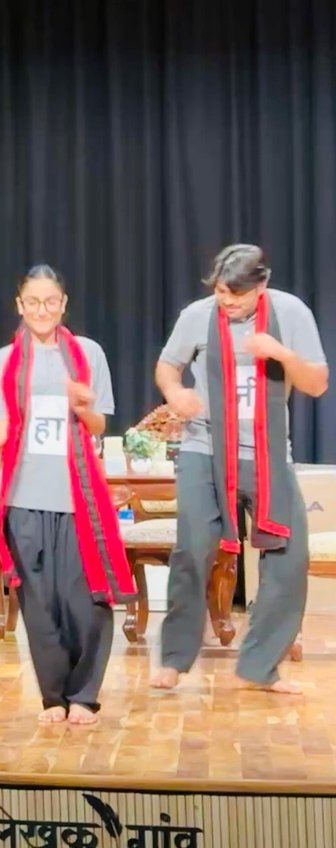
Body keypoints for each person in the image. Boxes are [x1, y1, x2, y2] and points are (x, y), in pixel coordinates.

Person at [0, 265, 134, 725]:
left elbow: (99, 425)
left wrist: (83, 406)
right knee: (38, 603)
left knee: (86, 600)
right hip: (23, 496)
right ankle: (53, 697)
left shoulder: (87, 354)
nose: (43, 310)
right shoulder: (5, 360)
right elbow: (2, 430)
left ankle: (85, 695)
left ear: (64, 304)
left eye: (51, 301)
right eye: (34, 302)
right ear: (20, 306)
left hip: (78, 498)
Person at [152, 244, 328, 695]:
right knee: (192, 549)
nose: (227, 301)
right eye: (220, 292)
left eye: (237, 294)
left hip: (267, 454)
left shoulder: (291, 313)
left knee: (289, 558)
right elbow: (167, 367)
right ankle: (173, 658)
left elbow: (317, 383)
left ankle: (260, 666)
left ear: (261, 285)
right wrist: (175, 393)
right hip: (203, 448)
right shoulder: (198, 315)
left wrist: (281, 353)